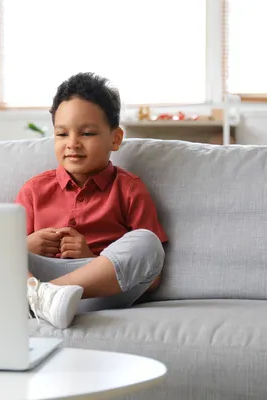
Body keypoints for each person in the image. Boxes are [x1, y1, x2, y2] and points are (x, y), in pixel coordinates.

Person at [15, 72, 168, 329]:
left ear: (115, 139)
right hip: (37, 279)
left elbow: (152, 276)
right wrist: (26, 245)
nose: (72, 143)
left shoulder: (129, 189)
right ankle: (42, 297)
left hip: (98, 293)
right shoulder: (34, 190)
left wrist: (93, 258)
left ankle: (44, 296)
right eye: (62, 134)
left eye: (86, 133)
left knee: (147, 242)